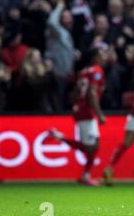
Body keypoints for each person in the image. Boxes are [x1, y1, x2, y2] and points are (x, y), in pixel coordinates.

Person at [46, 47, 107, 186]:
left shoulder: (83, 72)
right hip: (87, 112)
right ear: (95, 58)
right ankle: (58, 136)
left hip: (81, 110)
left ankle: (86, 175)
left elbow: (74, 93)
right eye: (102, 54)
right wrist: (99, 114)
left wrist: (77, 104)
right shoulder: (97, 71)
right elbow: (92, 93)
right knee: (90, 147)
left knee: (94, 145)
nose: (104, 57)